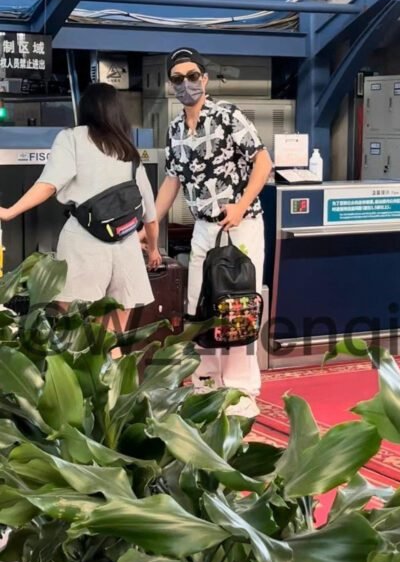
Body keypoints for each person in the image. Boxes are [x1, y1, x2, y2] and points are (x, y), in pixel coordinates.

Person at [152, 47, 272, 418]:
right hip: (203, 228)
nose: (185, 84)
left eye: (192, 76)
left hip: (240, 226)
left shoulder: (228, 116)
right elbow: (172, 181)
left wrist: (241, 205)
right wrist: (150, 225)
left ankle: (240, 390)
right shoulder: (175, 129)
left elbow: (263, 162)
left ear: (204, 79)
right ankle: (206, 384)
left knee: (236, 306)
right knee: (199, 306)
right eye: (177, 79)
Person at [0, 83, 159, 340]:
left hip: (83, 245)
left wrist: (10, 212)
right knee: (111, 338)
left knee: (75, 337)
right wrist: (153, 250)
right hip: (126, 248)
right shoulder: (128, 151)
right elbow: (150, 216)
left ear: (85, 110)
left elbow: (49, 184)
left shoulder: (72, 138)